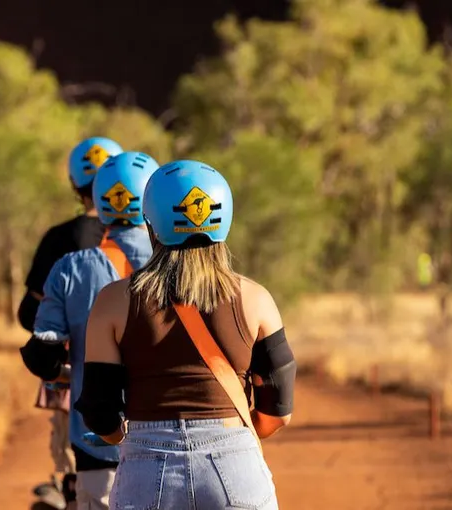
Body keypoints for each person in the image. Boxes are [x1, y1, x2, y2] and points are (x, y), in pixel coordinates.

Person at [75, 160, 295, 509]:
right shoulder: (256, 299)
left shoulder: (113, 302)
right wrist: (231, 441)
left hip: (146, 471)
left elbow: (99, 412)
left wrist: (130, 441)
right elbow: (277, 413)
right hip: (235, 467)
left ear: (150, 224)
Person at [20, 151, 159, 510]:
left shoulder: (69, 268)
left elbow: (43, 355)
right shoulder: (183, 268)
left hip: (97, 440)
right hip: (168, 439)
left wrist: (66, 371)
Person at [17, 136, 123, 506]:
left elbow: (29, 315)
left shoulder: (60, 238)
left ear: (74, 185)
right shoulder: (154, 240)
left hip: (71, 382)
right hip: (147, 396)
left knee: (81, 475)